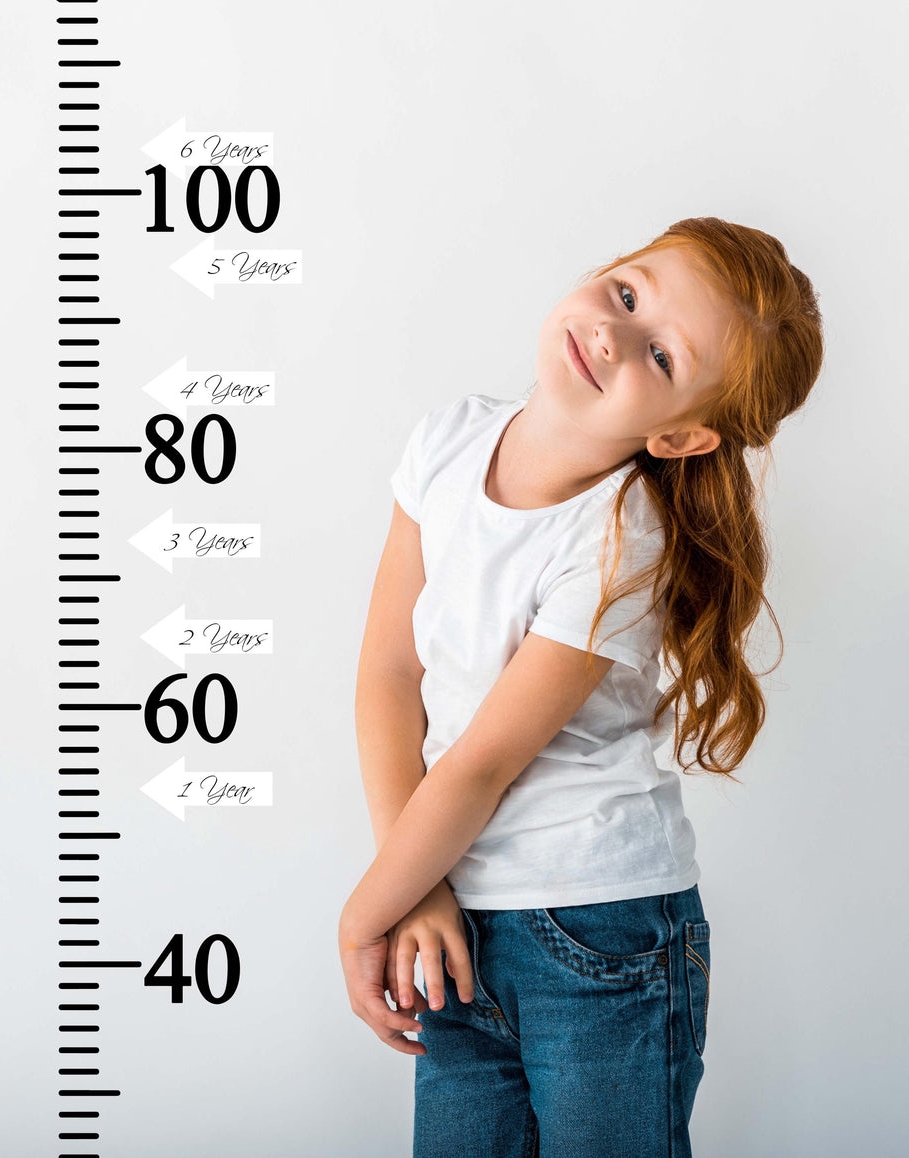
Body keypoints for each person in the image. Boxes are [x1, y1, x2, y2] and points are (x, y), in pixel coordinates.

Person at [337, 216, 825, 1157]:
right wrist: (420, 886)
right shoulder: (446, 444)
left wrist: (369, 912)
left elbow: (483, 762)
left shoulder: (619, 544)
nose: (612, 332)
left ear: (680, 436)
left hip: (598, 939)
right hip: (454, 914)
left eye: (659, 353)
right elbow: (390, 673)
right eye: (630, 293)